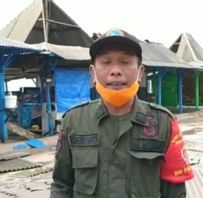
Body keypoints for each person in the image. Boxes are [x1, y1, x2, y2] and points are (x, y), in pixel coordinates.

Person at [50, 28, 193, 198]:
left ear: (140, 73)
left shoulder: (163, 123)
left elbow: (175, 191)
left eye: (125, 62)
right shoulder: (73, 121)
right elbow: (61, 185)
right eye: (106, 62)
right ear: (92, 73)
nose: (115, 70)